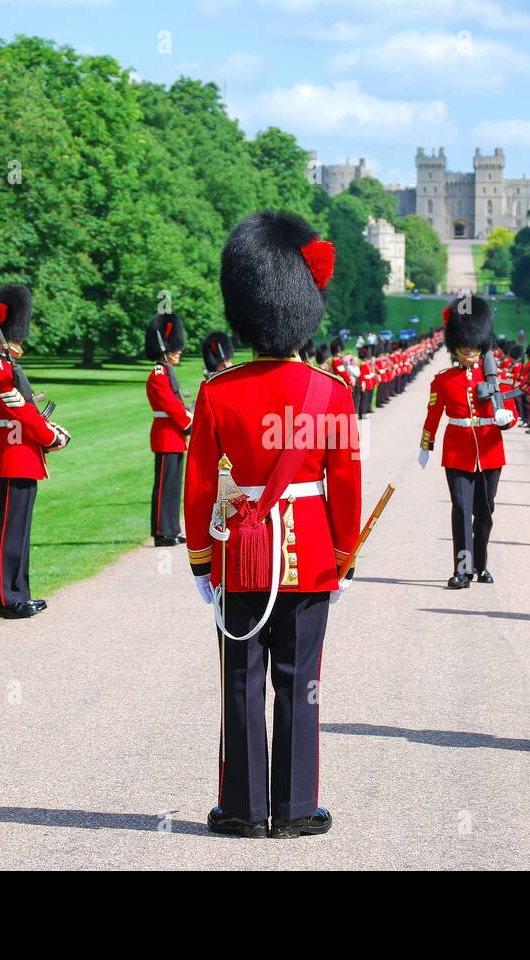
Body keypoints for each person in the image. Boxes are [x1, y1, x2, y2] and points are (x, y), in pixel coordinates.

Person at [183, 211, 361, 839]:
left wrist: (202, 559)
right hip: (310, 551)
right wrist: (345, 555)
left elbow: (201, 484)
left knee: (240, 681)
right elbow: (344, 482)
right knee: (301, 683)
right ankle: (293, 809)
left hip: (240, 556)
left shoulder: (217, 392)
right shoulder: (330, 392)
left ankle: (241, 808)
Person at [0, 285, 71, 619]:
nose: (21, 341)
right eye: (16, 335)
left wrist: (47, 433)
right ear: (3, 335)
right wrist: (51, 436)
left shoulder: (8, 368)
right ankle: (7, 597)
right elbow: (21, 414)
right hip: (14, 454)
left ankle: (20, 591)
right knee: (9, 530)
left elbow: (28, 411)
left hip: (24, 455)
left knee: (20, 529)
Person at [419, 295, 518, 589]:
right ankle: (463, 569)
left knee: (484, 512)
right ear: (456, 347)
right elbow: (433, 414)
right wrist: (426, 444)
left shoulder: (497, 378)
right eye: (465, 345)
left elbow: (510, 414)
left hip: (489, 451)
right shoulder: (444, 380)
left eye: (474, 345)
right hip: (457, 452)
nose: (469, 350)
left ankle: (481, 564)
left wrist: (505, 419)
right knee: (461, 509)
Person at [147, 313, 192, 546]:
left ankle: (172, 528)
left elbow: (177, 404)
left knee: (174, 486)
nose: (179, 352)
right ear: (165, 349)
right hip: (166, 435)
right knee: (165, 486)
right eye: (175, 348)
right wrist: (188, 422)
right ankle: (161, 532)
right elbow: (170, 405)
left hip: (173, 436)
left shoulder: (167, 372)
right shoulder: (158, 374)